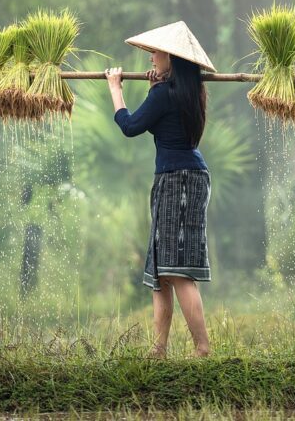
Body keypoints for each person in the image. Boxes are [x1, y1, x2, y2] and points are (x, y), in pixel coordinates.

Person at [105, 20, 217, 359]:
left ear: (171, 57)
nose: (151, 58)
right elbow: (160, 110)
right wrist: (156, 86)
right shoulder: (187, 92)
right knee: (161, 270)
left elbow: (130, 125)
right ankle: (159, 349)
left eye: (156, 53)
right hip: (181, 176)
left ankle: (202, 347)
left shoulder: (166, 95)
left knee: (175, 270)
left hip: (179, 180)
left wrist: (115, 88)